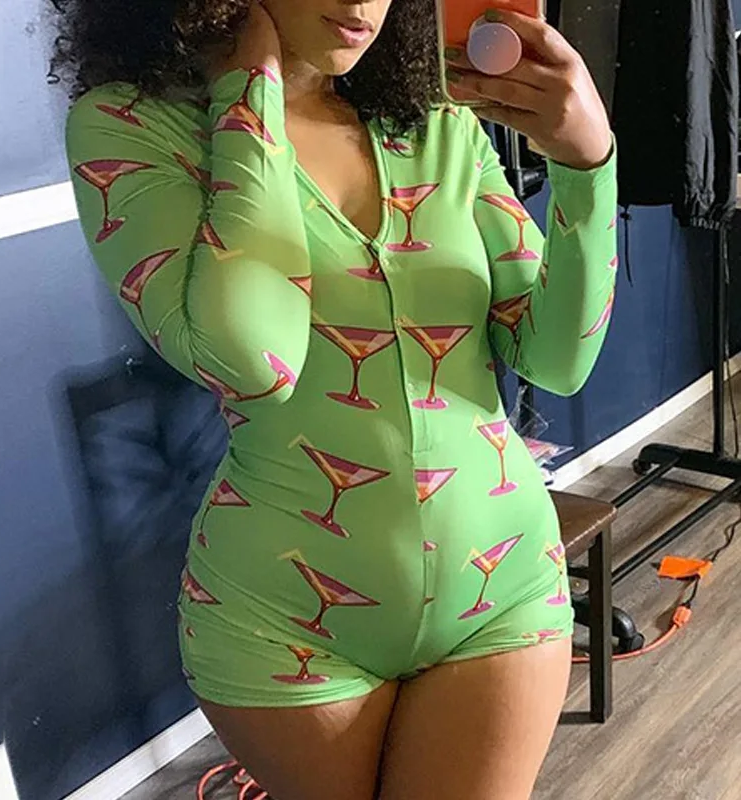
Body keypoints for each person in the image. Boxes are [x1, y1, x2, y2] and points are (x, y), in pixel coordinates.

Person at [60, 0, 616, 796]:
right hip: (285, 628)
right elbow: (255, 360)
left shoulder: (434, 126)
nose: (361, 6)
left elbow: (556, 359)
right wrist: (248, 93)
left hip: (503, 590)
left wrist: (588, 167)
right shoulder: (130, 128)